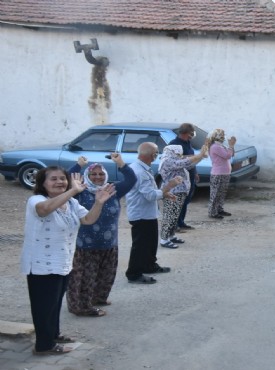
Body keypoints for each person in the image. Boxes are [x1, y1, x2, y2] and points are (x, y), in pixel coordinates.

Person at [21, 167, 114, 355]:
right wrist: (73, 190)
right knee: (44, 307)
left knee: (54, 304)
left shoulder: (71, 203)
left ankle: (53, 335)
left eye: (63, 179)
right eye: (53, 179)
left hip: (63, 261)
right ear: (42, 183)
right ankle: (44, 346)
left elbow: (88, 219)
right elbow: (44, 210)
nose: (59, 182)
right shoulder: (36, 200)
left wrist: (99, 203)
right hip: (41, 264)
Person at [66, 154, 136, 317]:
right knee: (84, 278)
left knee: (105, 275)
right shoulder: (79, 192)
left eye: (101, 174)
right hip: (85, 245)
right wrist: (78, 165)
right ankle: (82, 307)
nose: (98, 177)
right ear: (87, 176)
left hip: (109, 243)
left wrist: (120, 163)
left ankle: (98, 298)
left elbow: (131, 179)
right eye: (93, 174)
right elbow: (67, 177)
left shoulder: (112, 190)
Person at [125, 142, 182, 284]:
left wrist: (165, 194)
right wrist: (169, 186)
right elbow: (150, 195)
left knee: (150, 243)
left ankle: (149, 265)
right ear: (152, 155)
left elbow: (149, 192)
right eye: (156, 153)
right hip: (140, 214)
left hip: (147, 213)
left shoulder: (142, 168)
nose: (157, 155)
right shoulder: (139, 171)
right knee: (140, 246)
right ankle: (134, 273)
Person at [158, 144, 208, 248]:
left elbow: (189, 165)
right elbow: (184, 162)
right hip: (171, 192)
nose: (180, 155)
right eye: (178, 153)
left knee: (175, 216)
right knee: (169, 216)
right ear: (172, 152)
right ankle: (164, 239)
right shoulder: (167, 161)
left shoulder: (174, 160)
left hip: (179, 192)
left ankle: (171, 236)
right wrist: (199, 155)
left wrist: (201, 157)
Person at [168, 123, 198, 232]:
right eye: (190, 133)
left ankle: (181, 222)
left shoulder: (188, 143)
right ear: (185, 133)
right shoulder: (174, 144)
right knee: (178, 202)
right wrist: (190, 157)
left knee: (186, 201)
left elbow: (192, 159)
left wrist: (195, 172)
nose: (192, 136)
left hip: (190, 176)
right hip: (180, 178)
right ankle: (174, 225)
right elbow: (176, 161)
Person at [208, 129, 237, 219]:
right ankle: (212, 212)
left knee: (222, 193)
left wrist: (231, 146)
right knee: (215, 193)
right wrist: (231, 145)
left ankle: (219, 209)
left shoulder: (220, 146)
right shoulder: (215, 147)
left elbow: (231, 154)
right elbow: (227, 155)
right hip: (218, 173)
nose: (224, 137)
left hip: (224, 173)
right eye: (222, 135)